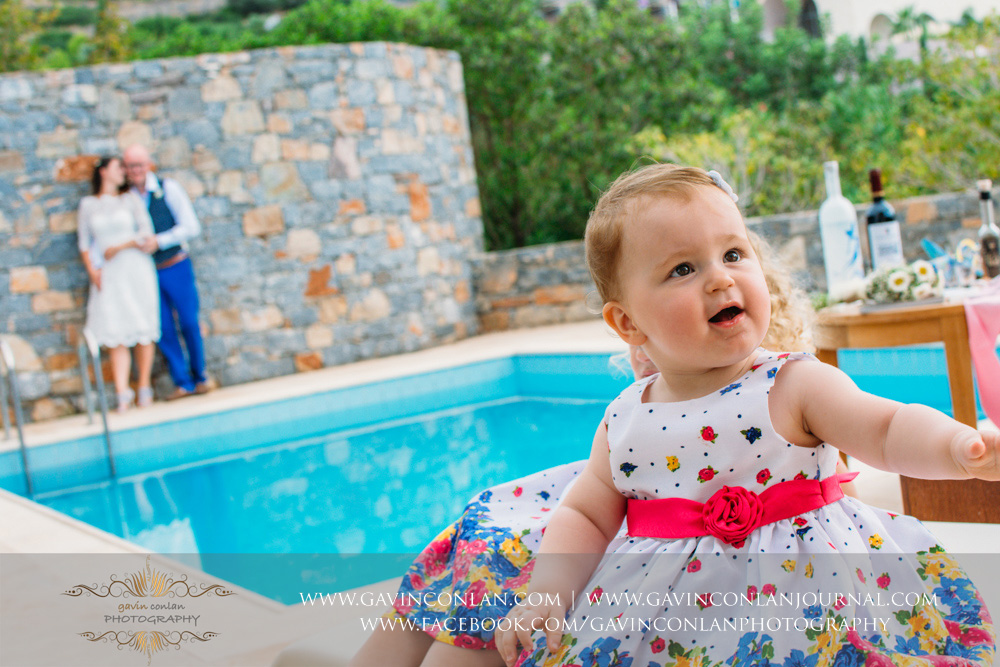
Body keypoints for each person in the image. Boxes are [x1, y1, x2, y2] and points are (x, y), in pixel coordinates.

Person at [489, 164, 998, 666]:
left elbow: (885, 429)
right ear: (628, 322)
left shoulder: (792, 383)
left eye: (733, 253)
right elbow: (585, 514)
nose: (720, 278)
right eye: (682, 269)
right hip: (677, 624)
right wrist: (548, 593)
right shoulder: (624, 420)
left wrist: (956, 447)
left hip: (813, 602)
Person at [347, 229, 861, 667]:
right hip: (589, 507)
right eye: (680, 271)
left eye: (730, 260)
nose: (643, 362)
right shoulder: (639, 401)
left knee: (500, 572)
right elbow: (594, 495)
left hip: (649, 541)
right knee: (479, 539)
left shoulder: (780, 390)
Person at [123, 144, 211, 400]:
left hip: (175, 264)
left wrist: (160, 241)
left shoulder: (167, 188)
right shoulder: (126, 198)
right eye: (130, 166)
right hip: (147, 273)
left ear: (149, 164)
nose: (135, 170)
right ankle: (181, 381)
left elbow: (191, 226)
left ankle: (201, 376)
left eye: (139, 165)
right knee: (162, 328)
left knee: (188, 321)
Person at [77, 156, 160, 413]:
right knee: (116, 331)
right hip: (110, 273)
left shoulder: (130, 199)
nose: (123, 172)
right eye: (118, 168)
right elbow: (83, 244)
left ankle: (144, 386)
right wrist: (94, 273)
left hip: (135, 267)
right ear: (103, 172)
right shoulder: (89, 204)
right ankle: (123, 392)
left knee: (142, 325)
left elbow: (147, 232)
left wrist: (119, 246)